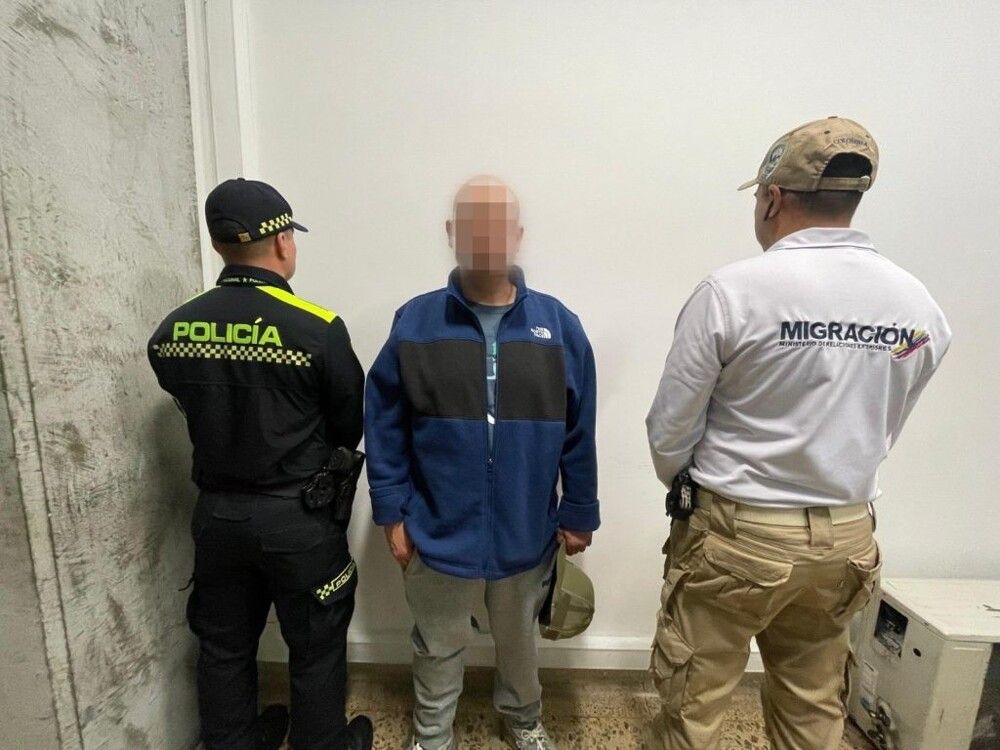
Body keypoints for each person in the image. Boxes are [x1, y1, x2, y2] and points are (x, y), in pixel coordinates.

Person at [643, 117, 951, 750]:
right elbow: (888, 417)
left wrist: (690, 488)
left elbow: (670, 429)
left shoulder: (731, 293)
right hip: (845, 539)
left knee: (693, 703)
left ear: (772, 198)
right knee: (814, 706)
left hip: (737, 534)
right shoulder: (917, 306)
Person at [365, 176, 600, 750]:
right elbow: (384, 423)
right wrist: (391, 511)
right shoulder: (415, 322)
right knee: (437, 643)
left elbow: (579, 427)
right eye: (473, 224)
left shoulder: (559, 327)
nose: (487, 236)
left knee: (519, 641)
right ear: (452, 233)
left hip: (526, 528)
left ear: (517, 234)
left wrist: (579, 510)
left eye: (499, 225)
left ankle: (522, 719)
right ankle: (431, 735)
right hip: (437, 526)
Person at [147, 178, 373, 750]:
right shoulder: (317, 329)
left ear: (218, 245)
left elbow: (185, 399)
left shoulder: (172, 331)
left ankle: (235, 741)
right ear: (281, 242)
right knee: (315, 646)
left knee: (223, 646)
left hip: (216, 518)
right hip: (298, 520)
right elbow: (348, 425)